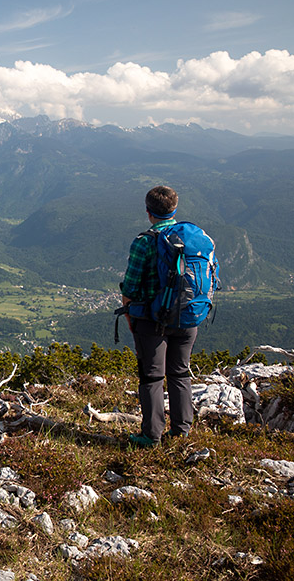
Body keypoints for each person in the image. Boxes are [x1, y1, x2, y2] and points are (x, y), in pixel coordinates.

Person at [120, 185, 198, 447]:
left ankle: (151, 437)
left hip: (152, 321)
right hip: (188, 317)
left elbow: (130, 287)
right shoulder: (192, 238)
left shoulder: (145, 242)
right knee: (180, 373)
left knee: (152, 377)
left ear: (148, 212)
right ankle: (182, 433)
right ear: (175, 209)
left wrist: (131, 319)